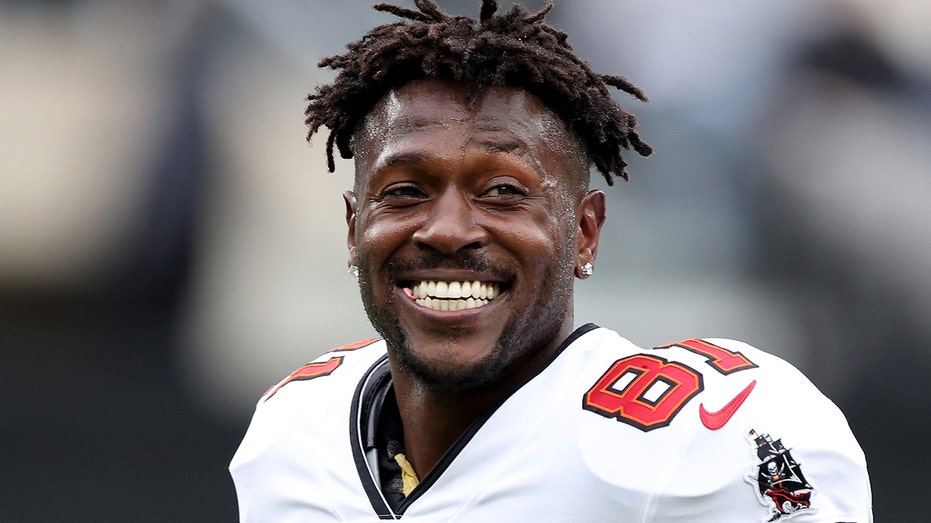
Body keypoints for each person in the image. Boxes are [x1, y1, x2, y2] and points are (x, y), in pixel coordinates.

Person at [229, 1, 872, 521]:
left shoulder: (703, 436)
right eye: (404, 192)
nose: (447, 230)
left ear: (585, 233)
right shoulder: (291, 436)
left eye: (503, 192)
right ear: (353, 227)